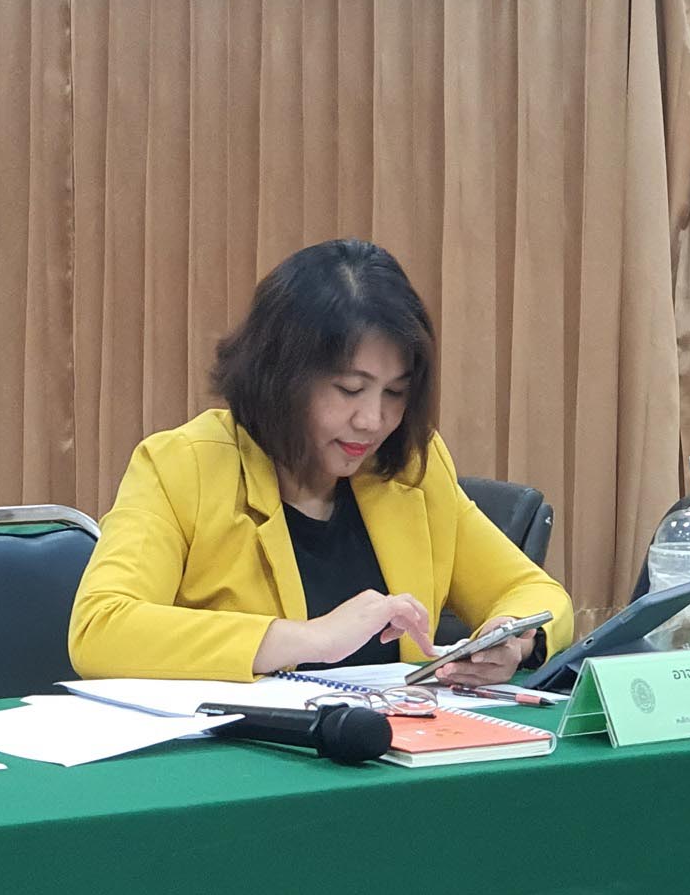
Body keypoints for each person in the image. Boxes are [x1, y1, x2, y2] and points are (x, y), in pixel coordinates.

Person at [68, 238, 573, 686]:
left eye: (395, 393)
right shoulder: (182, 466)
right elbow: (101, 629)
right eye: (349, 389)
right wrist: (308, 638)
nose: (372, 421)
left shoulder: (412, 468)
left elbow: (531, 591)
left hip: (395, 747)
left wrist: (513, 639)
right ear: (281, 377)